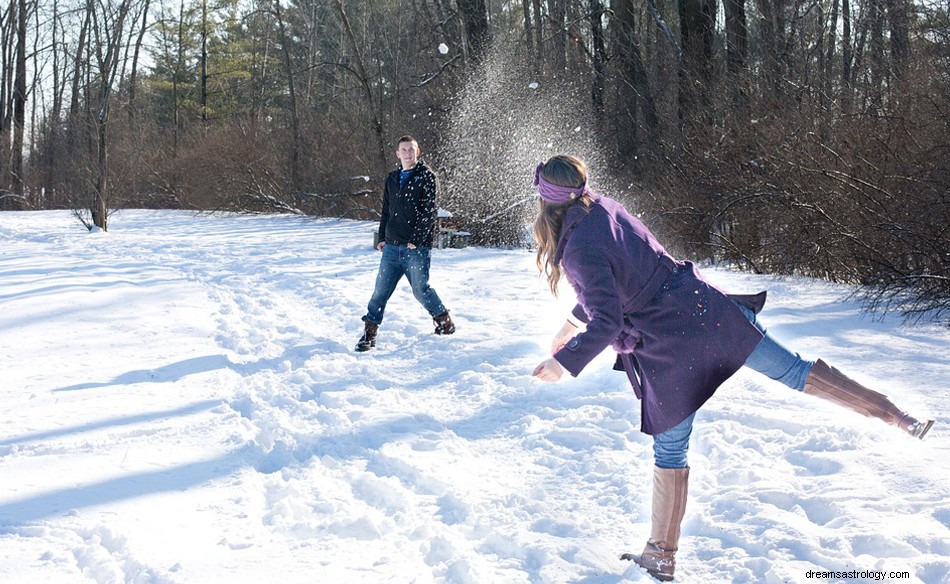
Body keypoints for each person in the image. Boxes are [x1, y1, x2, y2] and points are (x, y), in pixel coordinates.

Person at [529, 154, 933, 582]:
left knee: (670, 450)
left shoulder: (577, 248)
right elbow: (620, 278)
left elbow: (608, 317)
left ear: (546, 201)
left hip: (669, 344)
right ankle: (899, 417)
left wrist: (563, 362)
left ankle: (662, 556)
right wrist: (571, 324)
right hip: (707, 310)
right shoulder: (607, 209)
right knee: (796, 372)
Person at [356, 135, 455, 352]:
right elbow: (386, 211)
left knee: (421, 290)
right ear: (397, 154)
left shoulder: (426, 177)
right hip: (391, 247)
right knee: (380, 292)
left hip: (415, 248)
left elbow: (429, 211)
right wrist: (382, 237)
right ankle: (369, 333)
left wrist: (416, 239)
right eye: (404, 150)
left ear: (417, 152)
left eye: (411, 149)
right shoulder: (392, 178)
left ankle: (444, 321)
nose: (408, 153)